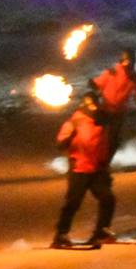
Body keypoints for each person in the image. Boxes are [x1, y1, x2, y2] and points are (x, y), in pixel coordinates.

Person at [52, 91, 116, 248]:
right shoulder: (75, 121)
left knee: (108, 198)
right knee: (73, 203)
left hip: (96, 169)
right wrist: (68, 138)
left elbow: (104, 146)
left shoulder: (102, 121)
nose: (95, 106)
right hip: (79, 169)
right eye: (92, 103)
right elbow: (60, 144)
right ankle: (61, 234)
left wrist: (105, 167)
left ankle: (101, 231)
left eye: (96, 103)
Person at [89, 47, 136, 158]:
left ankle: (106, 161)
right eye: (126, 61)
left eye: (130, 61)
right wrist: (93, 83)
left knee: (113, 140)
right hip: (105, 108)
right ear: (122, 61)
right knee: (97, 135)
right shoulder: (113, 72)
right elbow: (100, 83)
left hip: (119, 112)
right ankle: (93, 158)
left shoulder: (134, 77)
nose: (127, 64)